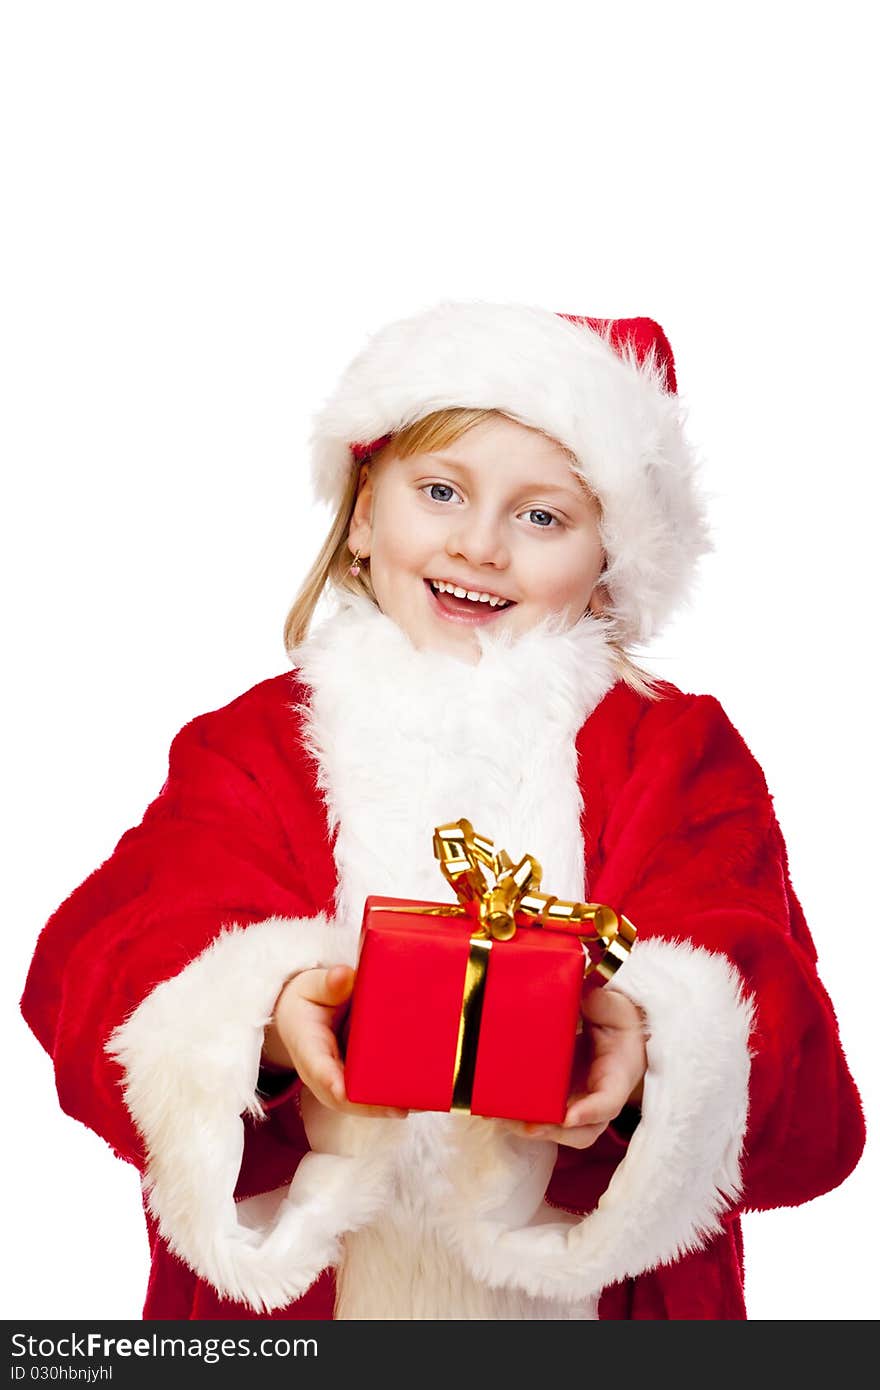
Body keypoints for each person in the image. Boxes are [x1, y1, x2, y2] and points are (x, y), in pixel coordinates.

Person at [20, 301, 865, 1321]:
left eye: (541, 515)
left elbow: (785, 1056)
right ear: (364, 517)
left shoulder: (675, 754)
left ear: (610, 565)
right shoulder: (250, 745)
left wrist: (646, 1045)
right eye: (440, 490)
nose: (481, 544)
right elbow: (104, 963)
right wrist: (271, 1020)